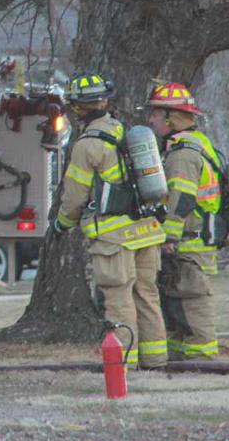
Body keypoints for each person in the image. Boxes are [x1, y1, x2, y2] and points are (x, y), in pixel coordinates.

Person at [53, 72, 168, 369]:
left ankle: (123, 365)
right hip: (146, 230)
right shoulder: (124, 130)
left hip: (114, 238)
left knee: (118, 299)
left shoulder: (87, 145)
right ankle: (155, 360)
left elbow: (75, 196)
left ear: (77, 108)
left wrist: (62, 224)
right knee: (147, 295)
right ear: (104, 100)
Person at [145, 82, 222, 359]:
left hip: (190, 243)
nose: (151, 119)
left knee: (192, 297)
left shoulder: (184, 153)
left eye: (155, 114)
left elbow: (182, 199)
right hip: (192, 240)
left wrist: (170, 237)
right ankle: (180, 359)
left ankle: (201, 358)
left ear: (171, 117)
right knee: (178, 300)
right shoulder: (194, 145)